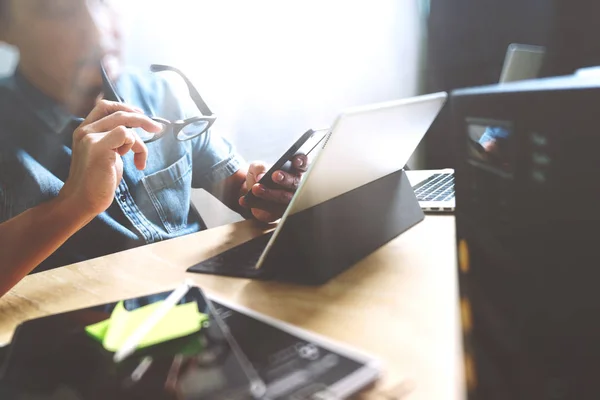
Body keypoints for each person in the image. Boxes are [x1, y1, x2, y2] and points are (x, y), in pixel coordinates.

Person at [0, 0, 307, 296]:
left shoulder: (159, 93)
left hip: (200, 304)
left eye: (104, 1)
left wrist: (267, 192)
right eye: (59, 10)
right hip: (85, 335)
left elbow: (243, 191)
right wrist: (74, 204)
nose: (98, 30)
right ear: (6, 28)